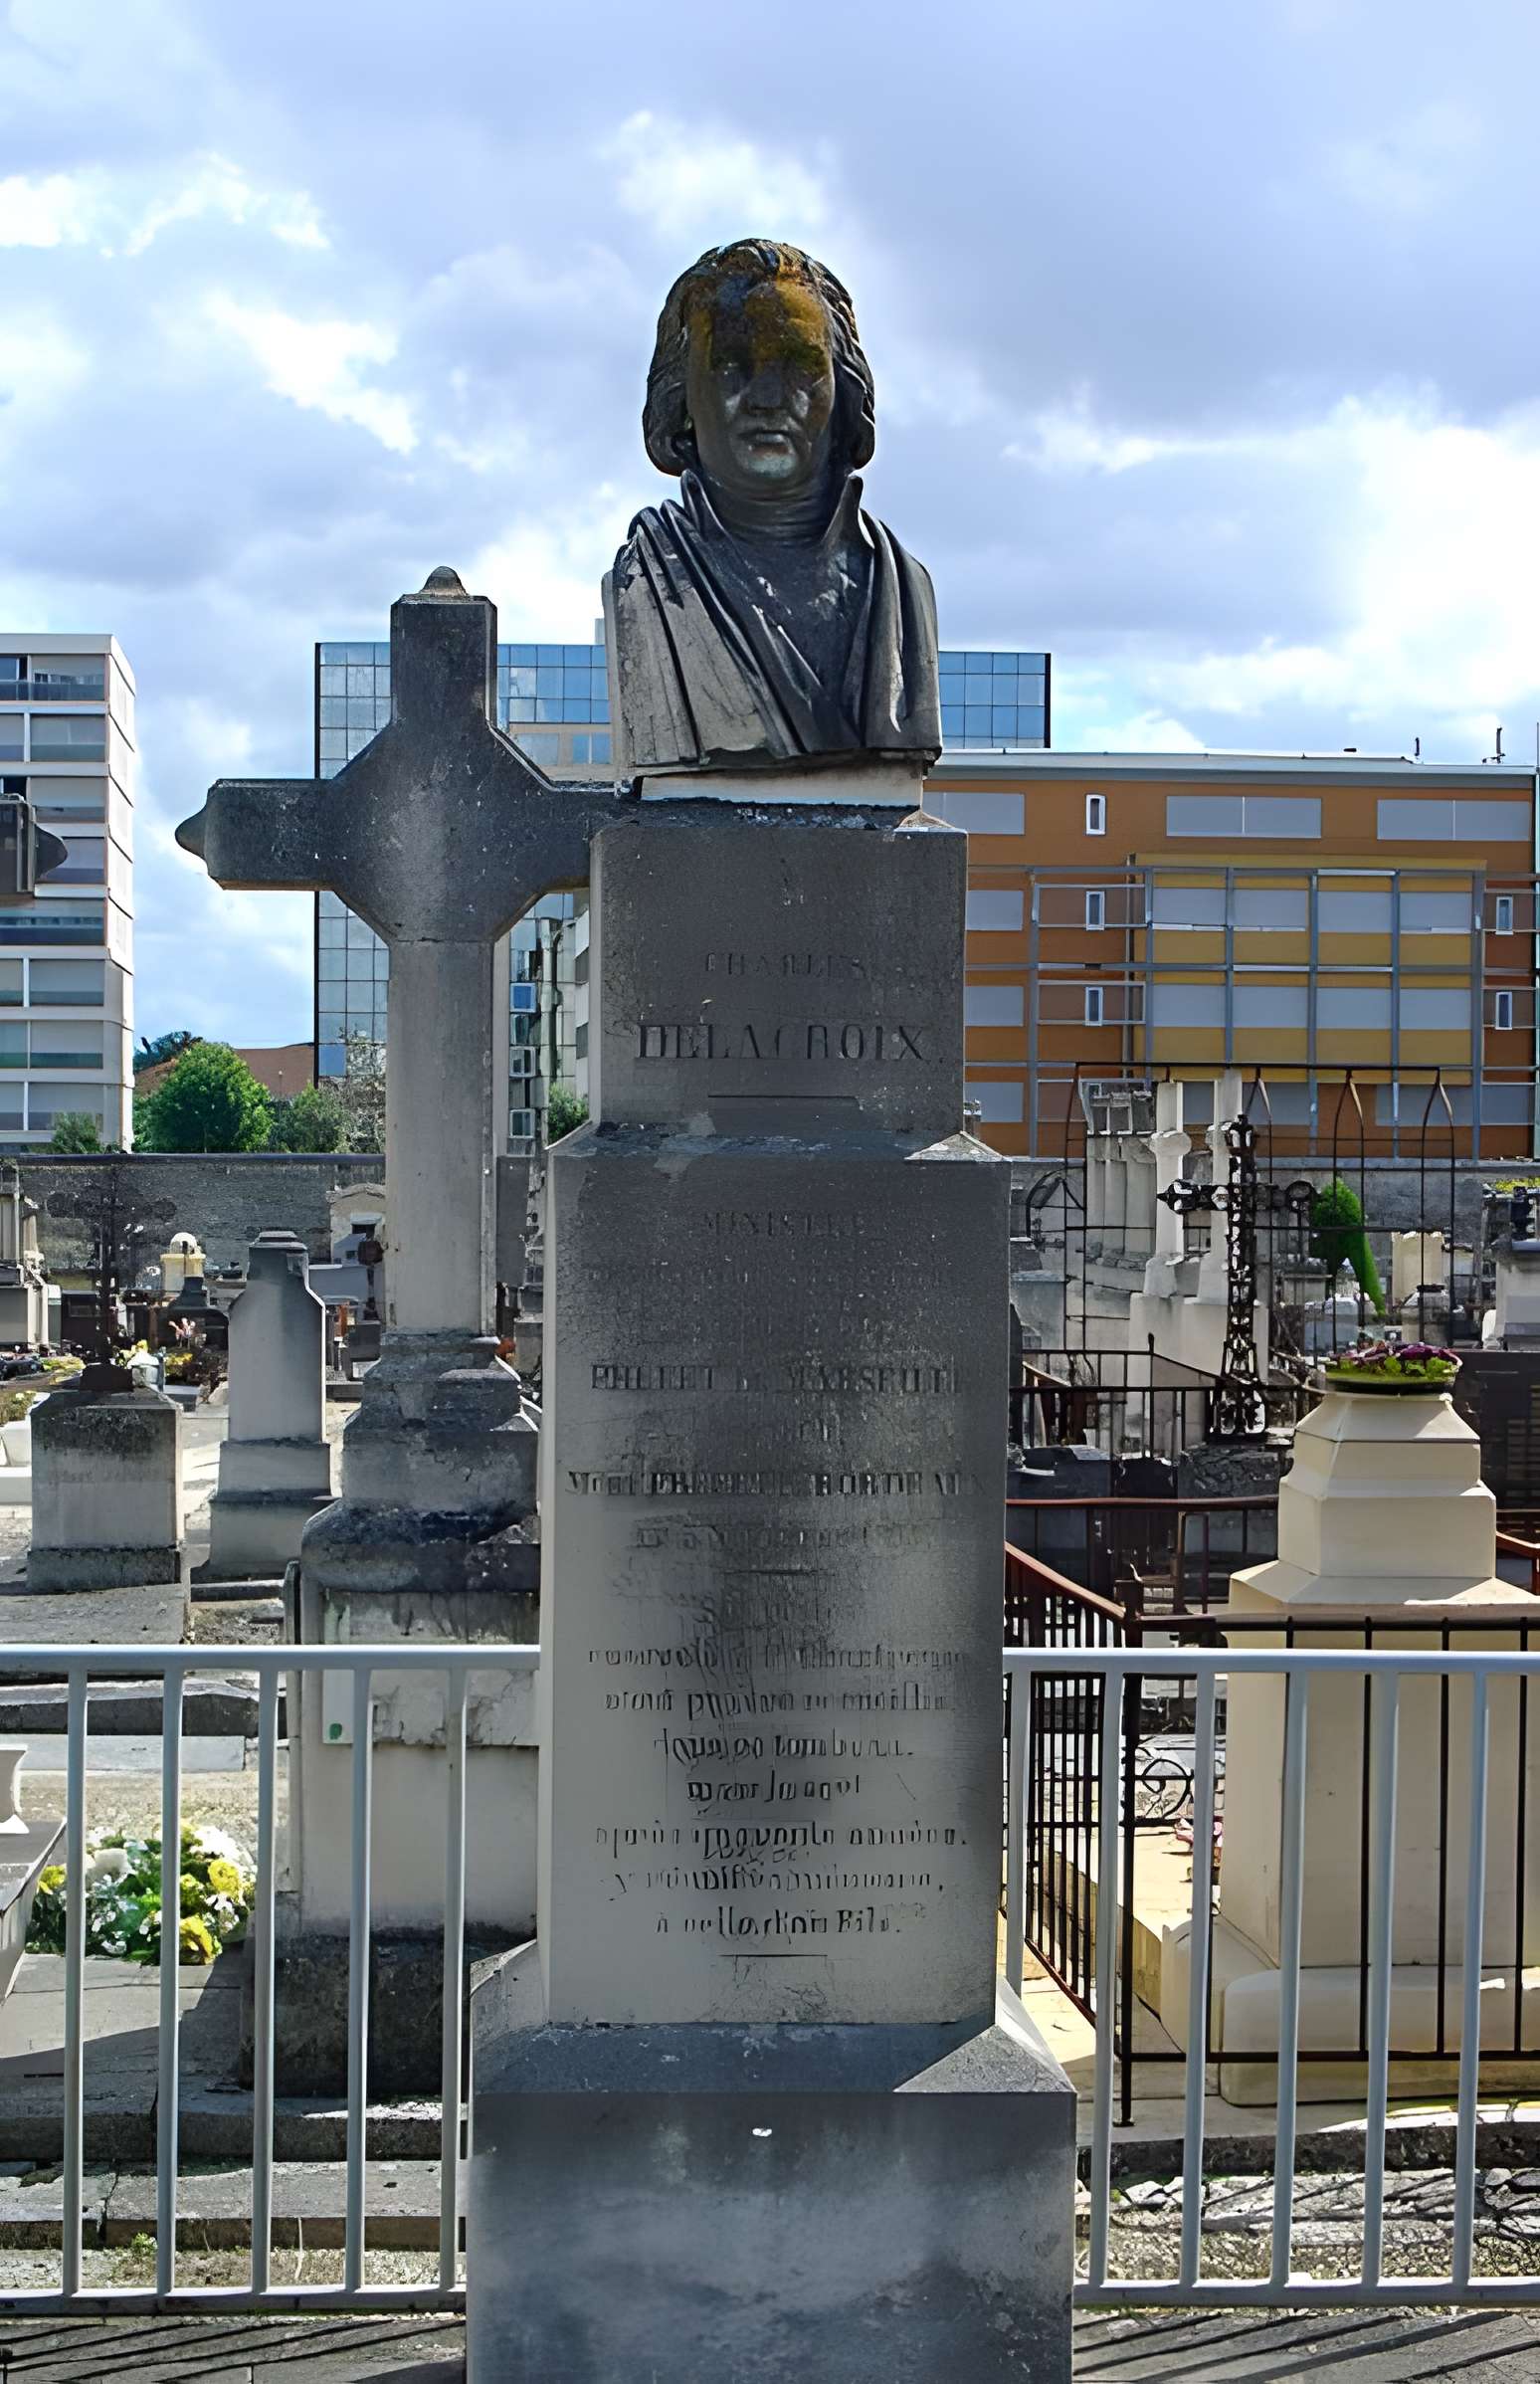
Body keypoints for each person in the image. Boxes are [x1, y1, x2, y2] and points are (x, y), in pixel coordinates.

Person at [605, 238, 940, 781]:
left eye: (799, 366)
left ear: (845, 391)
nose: (766, 397)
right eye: (731, 366)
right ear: (682, 399)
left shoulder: (903, 589)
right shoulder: (649, 584)